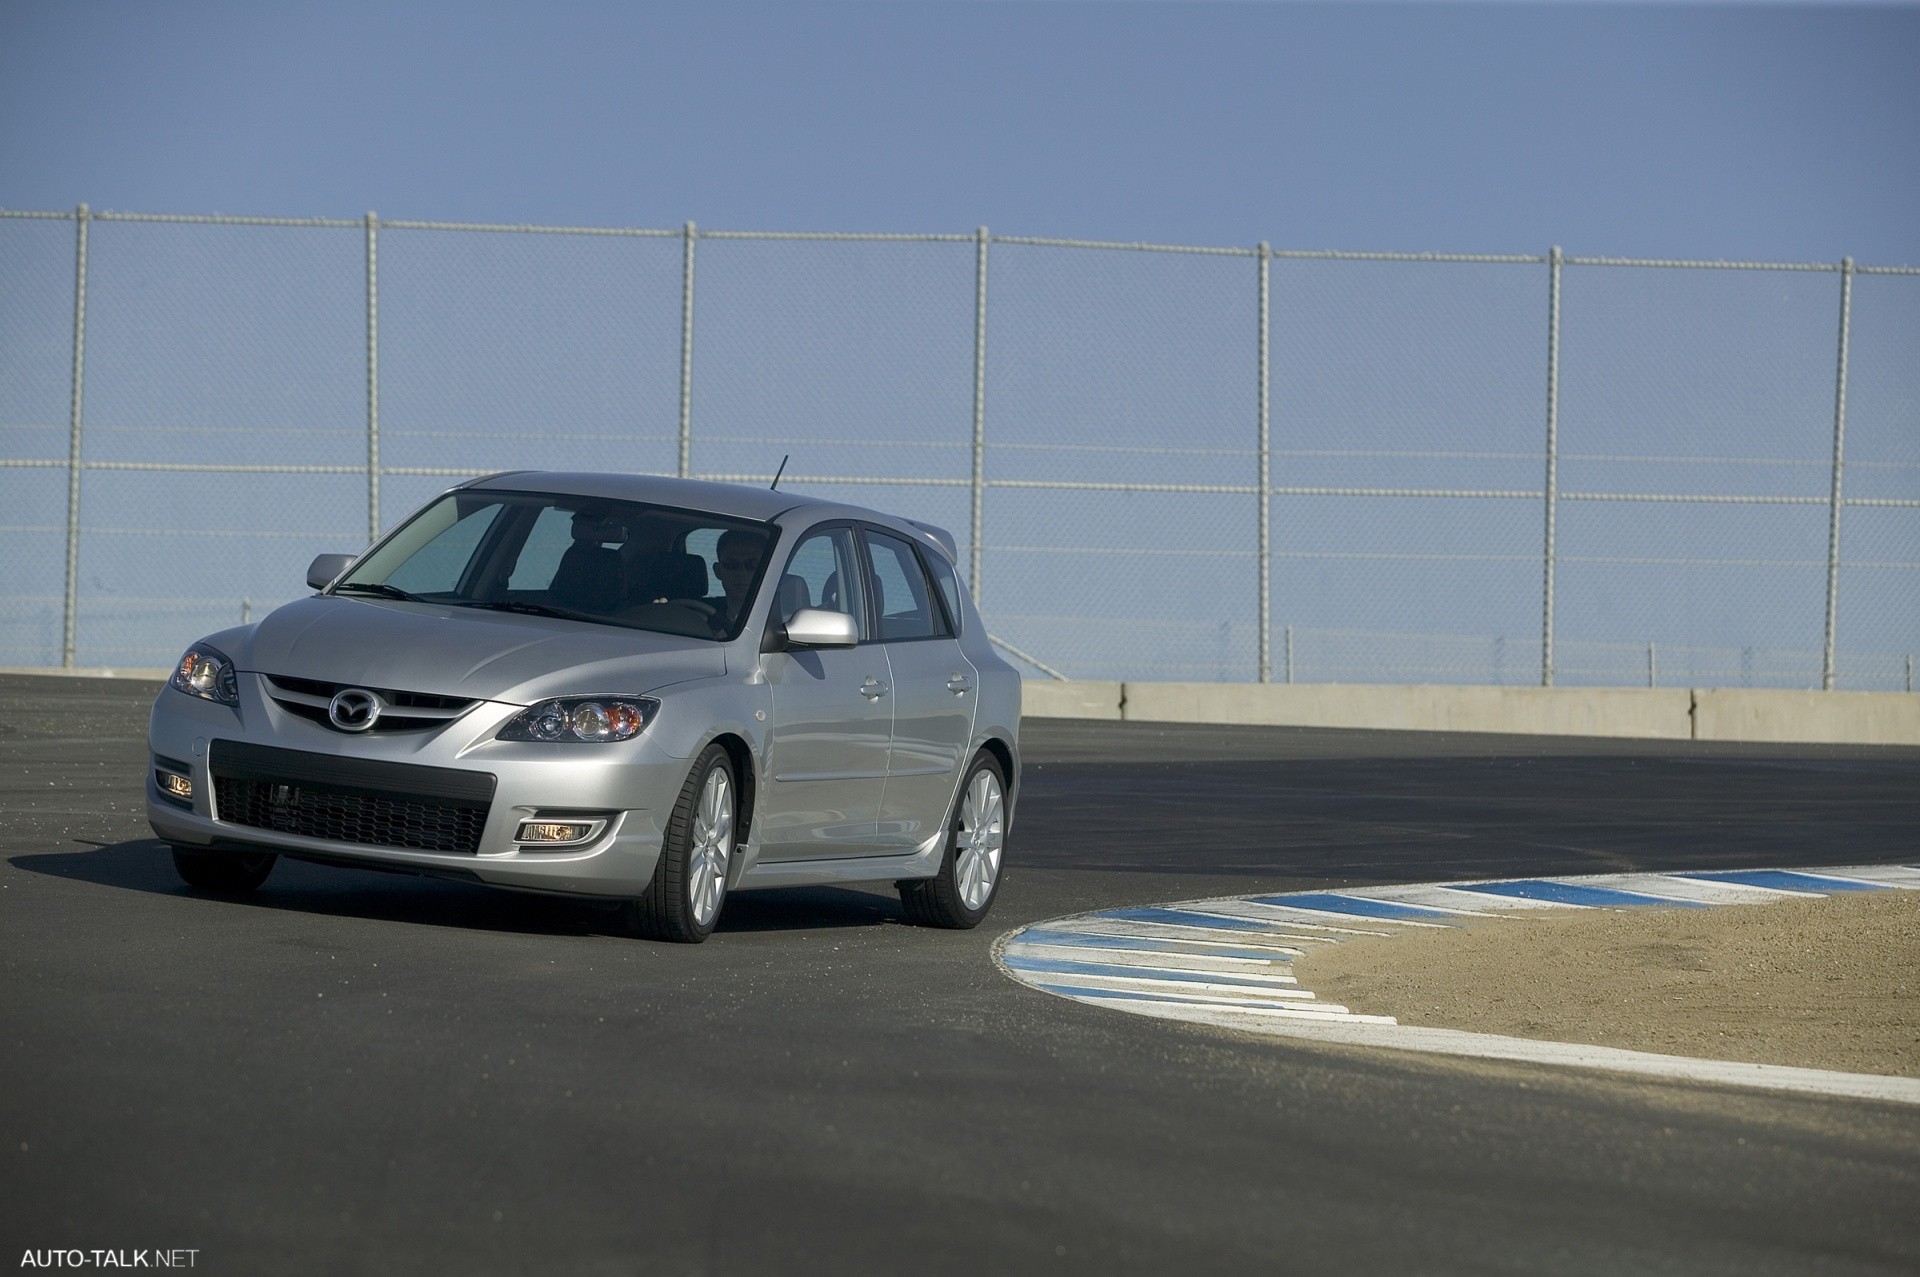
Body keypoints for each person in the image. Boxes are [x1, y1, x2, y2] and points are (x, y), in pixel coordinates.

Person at [712, 528, 768, 632]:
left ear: (766, 570)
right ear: (718, 571)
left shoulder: (780, 626)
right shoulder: (691, 618)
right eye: (732, 564)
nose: (741, 572)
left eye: (752, 564)